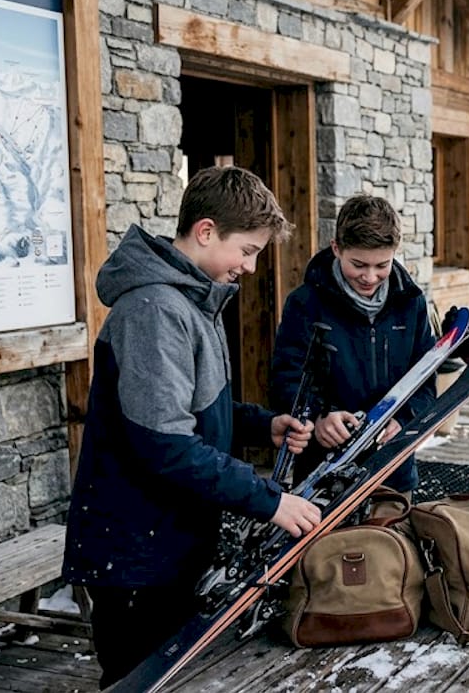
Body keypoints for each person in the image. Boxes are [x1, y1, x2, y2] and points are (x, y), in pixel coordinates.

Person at [63, 166, 322, 687]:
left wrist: (264, 425)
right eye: (247, 251)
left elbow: (200, 410)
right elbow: (165, 445)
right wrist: (268, 500)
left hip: (169, 544)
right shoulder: (155, 309)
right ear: (206, 232)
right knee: (137, 678)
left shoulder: (194, 301)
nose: (250, 267)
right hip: (136, 552)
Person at [270, 195, 436, 496]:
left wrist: (403, 420)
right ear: (336, 248)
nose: (370, 277)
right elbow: (285, 376)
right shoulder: (305, 304)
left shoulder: (411, 304)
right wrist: (318, 418)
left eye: (382, 265)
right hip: (323, 475)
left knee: (394, 543)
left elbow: (426, 380)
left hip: (393, 471)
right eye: (358, 264)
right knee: (330, 546)